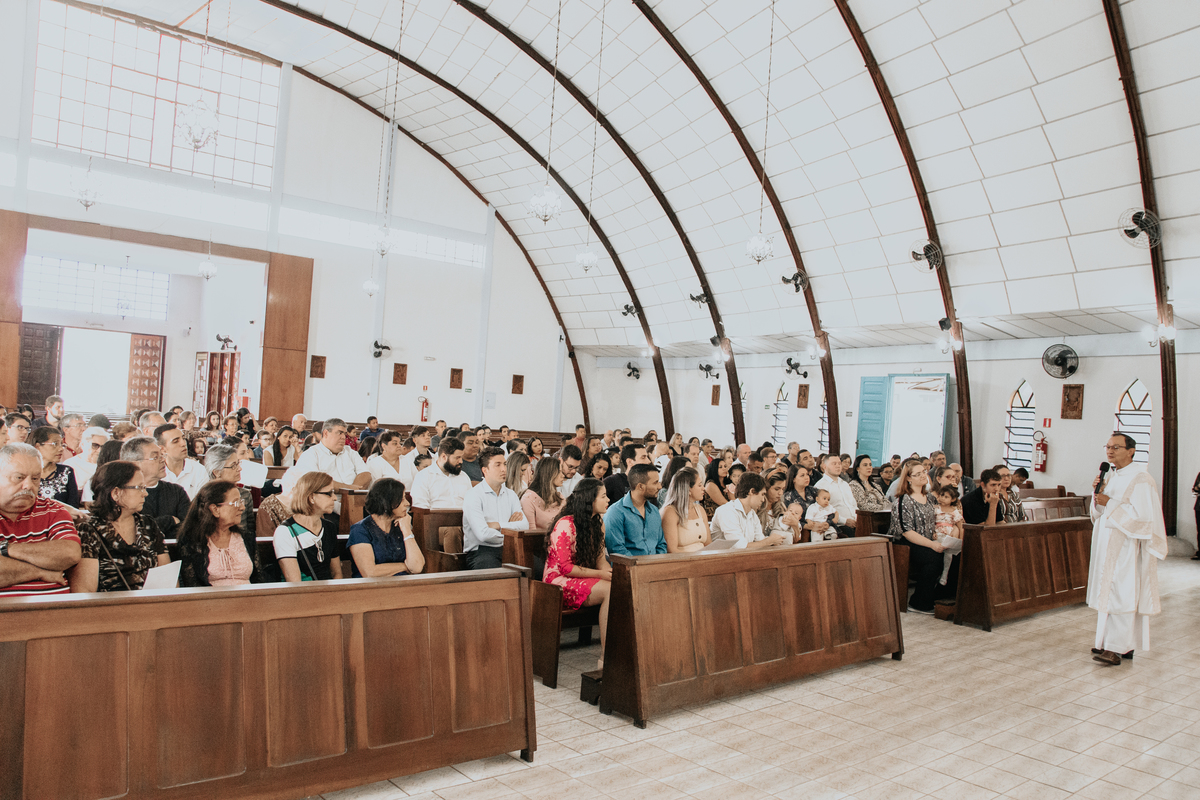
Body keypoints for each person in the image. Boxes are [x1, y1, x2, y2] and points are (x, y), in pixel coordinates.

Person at [1088, 434, 1167, 665]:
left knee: (1120, 594)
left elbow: (1143, 519)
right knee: (1109, 594)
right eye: (1108, 447)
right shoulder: (1111, 476)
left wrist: (1109, 503)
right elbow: (1100, 511)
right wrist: (1098, 496)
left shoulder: (1141, 479)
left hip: (1126, 547)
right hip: (1107, 544)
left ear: (1131, 451)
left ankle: (1116, 649)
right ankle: (1114, 645)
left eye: (1116, 447)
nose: (1110, 451)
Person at [68, 461, 169, 592]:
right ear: (116, 492)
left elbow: (167, 578)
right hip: (109, 608)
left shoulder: (148, 524)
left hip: (151, 607)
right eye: (139, 487)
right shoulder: (89, 530)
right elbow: (85, 591)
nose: (145, 493)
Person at [543, 478, 612, 665]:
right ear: (590, 499)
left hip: (583, 577)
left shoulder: (598, 523)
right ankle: (606, 659)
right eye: (604, 496)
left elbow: (600, 561)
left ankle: (618, 654)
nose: (608, 500)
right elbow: (565, 567)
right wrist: (600, 575)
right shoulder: (566, 524)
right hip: (558, 582)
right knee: (609, 591)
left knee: (621, 586)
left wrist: (612, 575)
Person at [0, 444, 81, 596]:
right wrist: (41, 572)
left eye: (35, 478)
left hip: (57, 614)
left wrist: (6, 549)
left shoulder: (53, 510)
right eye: (19, 477)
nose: (29, 485)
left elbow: (69, 553)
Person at [888, 461, 948, 614]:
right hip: (906, 543)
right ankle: (918, 602)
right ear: (908, 478)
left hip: (927, 540)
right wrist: (932, 544)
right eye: (918, 474)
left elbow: (934, 520)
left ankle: (938, 597)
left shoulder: (930, 498)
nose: (923, 476)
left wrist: (936, 534)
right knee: (933, 557)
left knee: (953, 554)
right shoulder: (903, 500)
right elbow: (907, 531)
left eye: (924, 472)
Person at [178, 480, 261, 587]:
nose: (242, 507)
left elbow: (258, 580)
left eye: (241, 502)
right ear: (215, 509)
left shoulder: (246, 537)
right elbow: (193, 586)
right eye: (236, 503)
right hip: (211, 601)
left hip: (248, 600)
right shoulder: (191, 541)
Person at [462, 447, 528, 569]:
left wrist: (498, 525)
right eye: (497, 465)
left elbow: (524, 525)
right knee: (496, 576)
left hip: (510, 548)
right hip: (481, 551)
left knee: (538, 569)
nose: (503, 469)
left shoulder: (511, 494)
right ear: (485, 470)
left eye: (505, 464)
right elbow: (483, 535)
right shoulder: (474, 495)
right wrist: (510, 531)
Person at [348, 478, 424, 577]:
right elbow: (370, 572)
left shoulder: (401, 526)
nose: (407, 503)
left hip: (402, 587)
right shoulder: (360, 530)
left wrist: (406, 530)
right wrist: (405, 566)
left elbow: (417, 567)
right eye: (401, 500)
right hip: (371, 589)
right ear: (386, 502)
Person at [274, 471, 342, 582]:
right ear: (311, 497)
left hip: (329, 593)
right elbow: (294, 582)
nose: (334, 498)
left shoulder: (329, 527)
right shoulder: (285, 532)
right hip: (302, 595)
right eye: (329, 493)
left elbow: (337, 574)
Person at [285, 417, 371, 502]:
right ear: (326, 433)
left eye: (344, 434)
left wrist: (350, 494)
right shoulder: (311, 455)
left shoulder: (350, 452)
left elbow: (365, 474)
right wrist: (349, 489)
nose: (343, 437)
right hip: (326, 506)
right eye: (339, 433)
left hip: (355, 503)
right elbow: (316, 482)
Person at [123, 436, 190, 538]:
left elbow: (188, 528)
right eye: (155, 457)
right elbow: (134, 530)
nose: (163, 460)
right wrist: (169, 520)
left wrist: (153, 526)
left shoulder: (177, 491)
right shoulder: (126, 494)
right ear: (136, 464)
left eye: (162, 455)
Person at [710, 472, 785, 548]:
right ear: (751, 491)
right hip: (721, 558)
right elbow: (739, 547)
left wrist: (771, 541)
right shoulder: (727, 511)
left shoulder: (752, 513)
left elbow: (760, 541)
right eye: (762, 494)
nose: (763, 500)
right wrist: (769, 541)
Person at [604, 463, 664, 557]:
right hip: (629, 569)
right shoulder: (615, 512)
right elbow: (617, 550)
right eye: (655, 482)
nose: (660, 487)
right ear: (640, 486)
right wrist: (642, 567)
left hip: (655, 567)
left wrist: (657, 564)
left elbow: (661, 544)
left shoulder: (654, 510)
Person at [410, 437, 473, 509]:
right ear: (444, 457)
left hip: (463, 518)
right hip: (435, 518)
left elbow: (471, 504)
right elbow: (421, 508)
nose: (461, 461)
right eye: (457, 458)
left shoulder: (463, 476)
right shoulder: (423, 476)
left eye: (461, 457)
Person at [661, 467, 710, 553]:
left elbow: (708, 544)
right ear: (688, 489)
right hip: (683, 562)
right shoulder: (670, 512)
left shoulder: (700, 510)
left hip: (703, 560)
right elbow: (672, 550)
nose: (703, 488)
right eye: (699, 485)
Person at [31, 426, 81, 508]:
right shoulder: (26, 473)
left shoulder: (66, 472)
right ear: (38, 446)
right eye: (55, 444)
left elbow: (73, 507)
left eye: (62, 444)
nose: (61, 449)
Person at [156, 424, 207, 499]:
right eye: (176, 441)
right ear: (162, 449)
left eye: (183, 438)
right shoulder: (156, 473)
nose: (183, 444)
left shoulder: (199, 470)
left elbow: (202, 503)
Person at [63, 425, 109, 503]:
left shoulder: (107, 465)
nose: (99, 450)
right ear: (83, 444)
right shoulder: (70, 465)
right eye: (95, 445)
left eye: (103, 447)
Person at [815, 453, 857, 533]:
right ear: (824, 466)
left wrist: (858, 518)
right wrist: (844, 521)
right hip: (838, 526)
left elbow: (853, 505)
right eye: (834, 464)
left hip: (855, 523)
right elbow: (823, 511)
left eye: (839, 463)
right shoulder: (821, 486)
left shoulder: (845, 484)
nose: (838, 466)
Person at [521, 457, 565, 530]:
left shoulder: (560, 497)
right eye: (559, 472)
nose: (563, 475)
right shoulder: (528, 499)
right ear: (549, 473)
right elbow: (531, 534)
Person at [933, 485, 965, 586]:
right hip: (937, 535)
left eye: (946, 497)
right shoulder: (936, 509)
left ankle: (944, 575)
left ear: (953, 499)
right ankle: (935, 576)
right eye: (941, 495)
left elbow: (961, 527)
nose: (942, 498)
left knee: (948, 556)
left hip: (948, 537)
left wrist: (960, 540)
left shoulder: (954, 511)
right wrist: (932, 532)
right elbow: (931, 523)